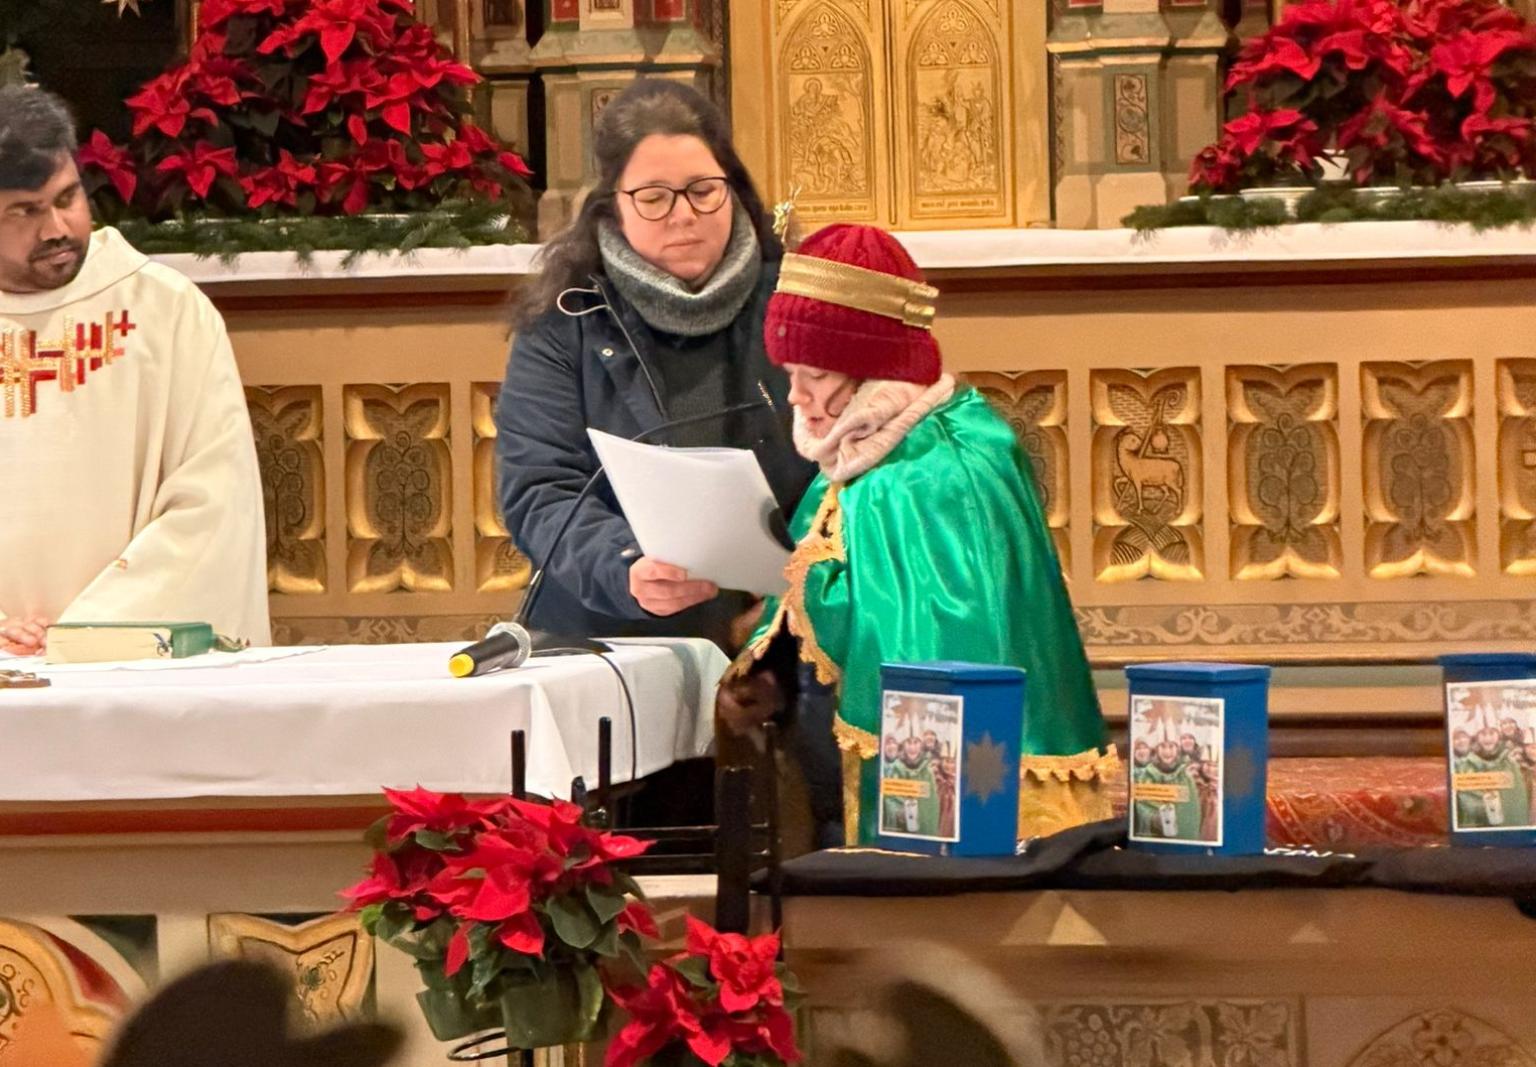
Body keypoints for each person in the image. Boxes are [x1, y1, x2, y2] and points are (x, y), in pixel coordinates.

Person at [716, 223, 1112, 847]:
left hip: (955, 806)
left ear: (872, 371)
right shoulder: (871, 448)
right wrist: (771, 667)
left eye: (813, 373)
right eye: (789, 371)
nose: (795, 395)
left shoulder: (939, 470)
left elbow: (938, 644)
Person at [495, 79, 813, 653]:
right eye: (654, 197)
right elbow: (540, 488)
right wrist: (626, 566)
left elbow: (854, 472)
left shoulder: (796, 303)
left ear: (734, 189)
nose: (683, 215)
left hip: (783, 635)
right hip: (611, 638)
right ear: (612, 205)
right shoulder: (566, 319)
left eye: (703, 191)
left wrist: (803, 584)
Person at [0, 87, 269, 652]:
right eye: (25, 211)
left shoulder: (165, 312)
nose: (56, 228)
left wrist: (88, 634)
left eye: (67, 197)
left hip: (131, 668)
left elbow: (214, 503)